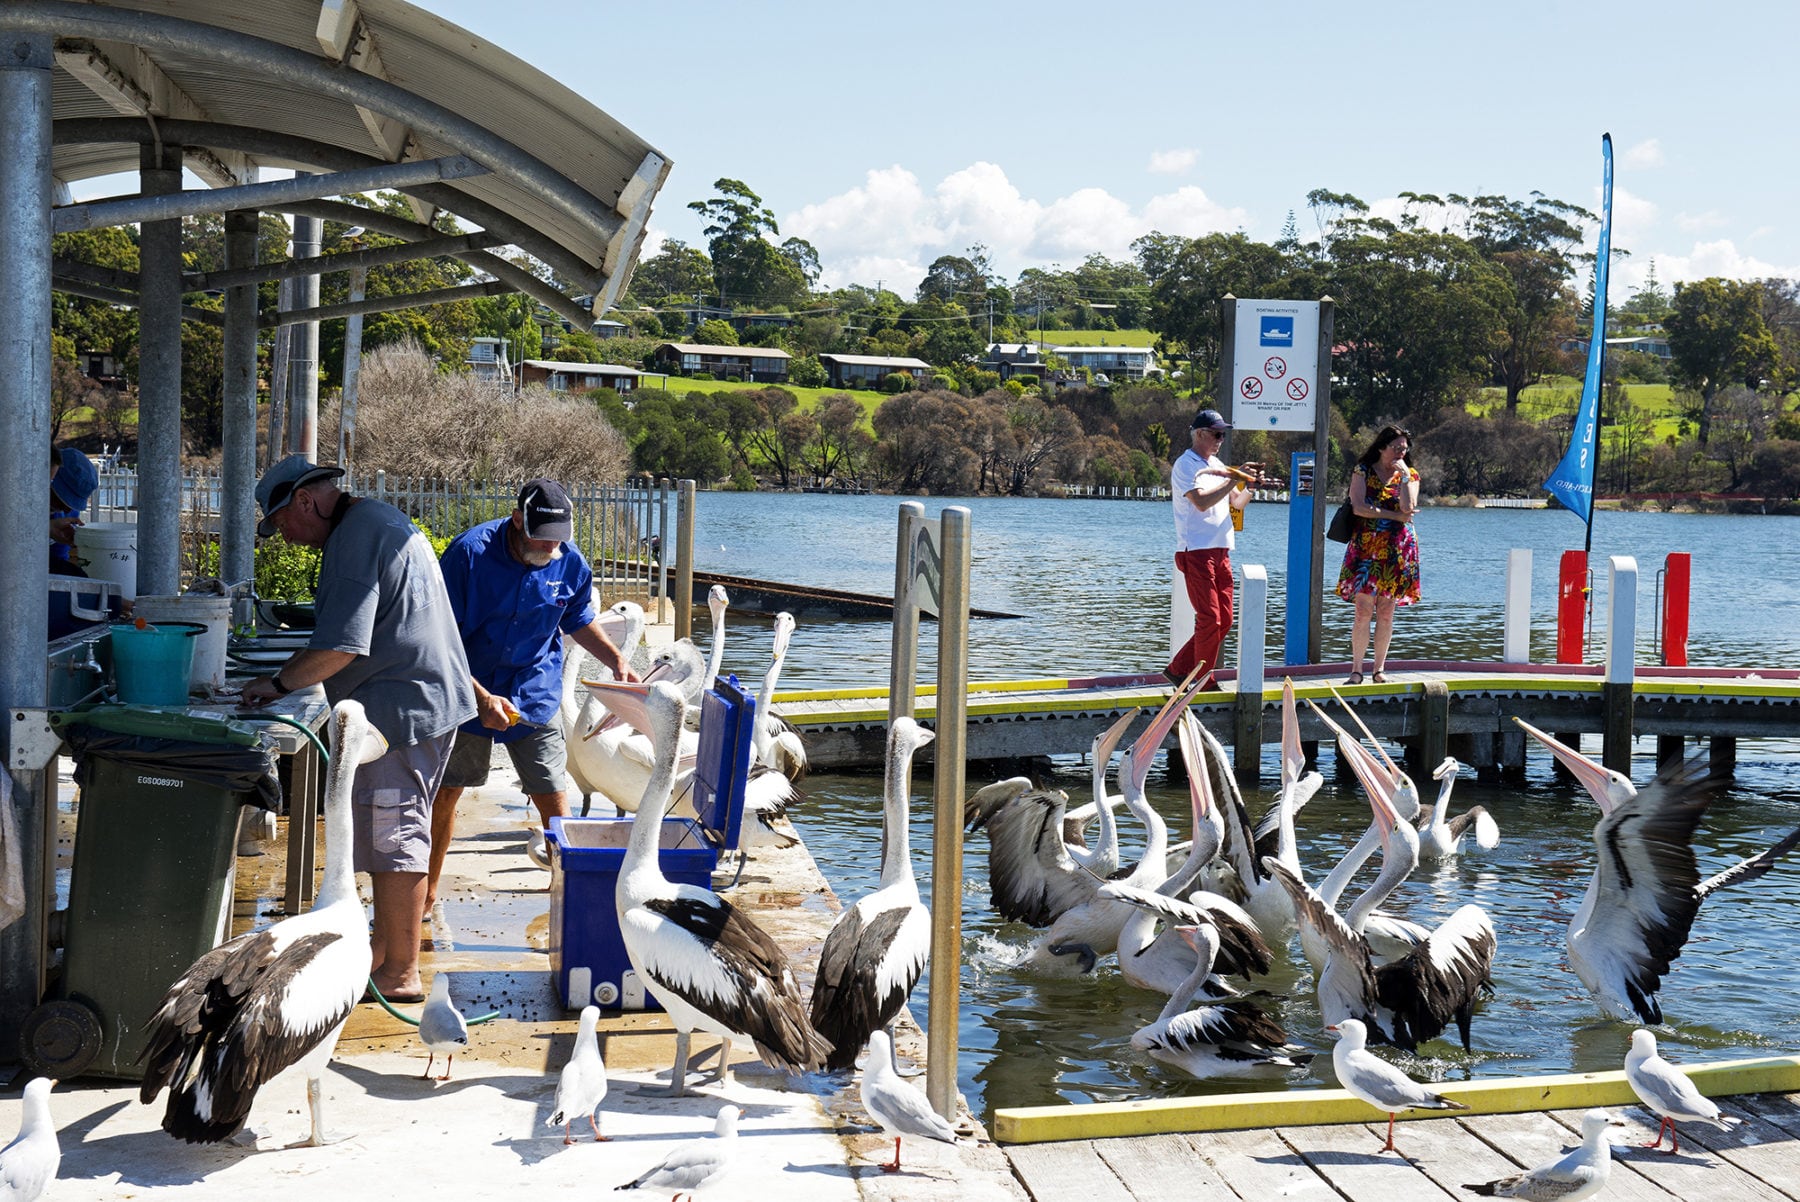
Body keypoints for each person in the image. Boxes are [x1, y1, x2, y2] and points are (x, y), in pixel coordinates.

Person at [241, 455, 475, 1003]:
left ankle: (400, 971)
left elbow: (340, 646)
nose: (284, 536)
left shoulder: (355, 537)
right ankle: (384, 952)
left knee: (395, 837)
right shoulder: (372, 522)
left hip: (403, 709)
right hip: (414, 702)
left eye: (281, 523)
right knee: (385, 831)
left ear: (304, 501)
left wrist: (274, 685)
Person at [426, 478, 636, 908]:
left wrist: (616, 660)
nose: (549, 550)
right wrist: (481, 698)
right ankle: (425, 895)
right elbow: (436, 639)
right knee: (446, 792)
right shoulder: (468, 555)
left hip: (534, 690)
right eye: (541, 539)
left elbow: (577, 619)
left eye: (557, 542)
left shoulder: (570, 563)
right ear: (518, 519)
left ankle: (567, 895)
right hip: (466, 688)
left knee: (552, 792)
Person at [1163, 409, 1262, 689]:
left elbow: (1237, 503)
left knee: (1225, 620)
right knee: (1210, 618)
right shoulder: (1186, 465)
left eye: (1223, 434)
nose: (1221, 439)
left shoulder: (1217, 463)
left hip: (1221, 550)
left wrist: (1251, 486)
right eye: (1217, 434)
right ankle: (1202, 682)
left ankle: (1180, 669)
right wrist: (1234, 478)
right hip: (1195, 550)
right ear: (1200, 434)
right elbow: (1201, 502)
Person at [1336, 424, 1421, 684]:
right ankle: (1356, 669)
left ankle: (1379, 669)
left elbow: (1409, 508)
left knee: (1386, 610)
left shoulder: (1411, 475)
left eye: (1404, 450)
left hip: (1396, 548)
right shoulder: (1363, 470)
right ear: (1382, 447)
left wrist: (1405, 477)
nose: (1400, 453)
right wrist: (1393, 515)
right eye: (1396, 448)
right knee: (1362, 609)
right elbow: (1359, 507)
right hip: (1366, 545)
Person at [50, 446, 98, 559]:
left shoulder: (68, 514)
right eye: (61, 499)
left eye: (71, 504)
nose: (67, 509)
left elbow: (59, 558)